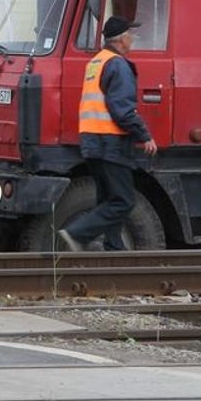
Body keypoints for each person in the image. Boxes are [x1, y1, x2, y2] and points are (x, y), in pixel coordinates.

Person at [57, 16, 158, 252]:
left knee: (108, 200)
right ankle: (75, 234)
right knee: (123, 201)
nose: (132, 40)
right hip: (110, 143)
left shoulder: (96, 62)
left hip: (92, 142)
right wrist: (144, 135)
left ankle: (114, 249)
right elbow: (122, 110)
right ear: (122, 39)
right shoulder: (118, 65)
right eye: (130, 36)